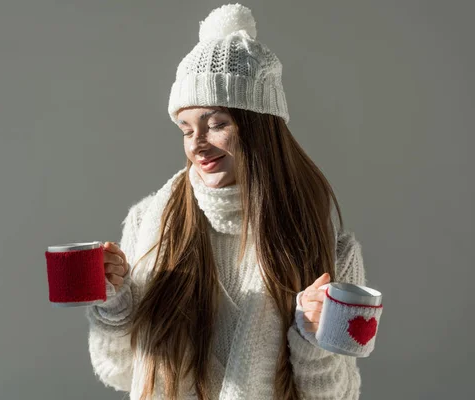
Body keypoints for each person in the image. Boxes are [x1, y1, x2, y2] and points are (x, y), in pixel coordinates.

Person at [85, 4, 366, 399]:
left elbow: (338, 396)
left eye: (216, 124)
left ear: (259, 129)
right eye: (187, 129)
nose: (197, 144)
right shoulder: (148, 224)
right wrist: (114, 304)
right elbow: (117, 371)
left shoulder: (328, 250)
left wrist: (312, 338)